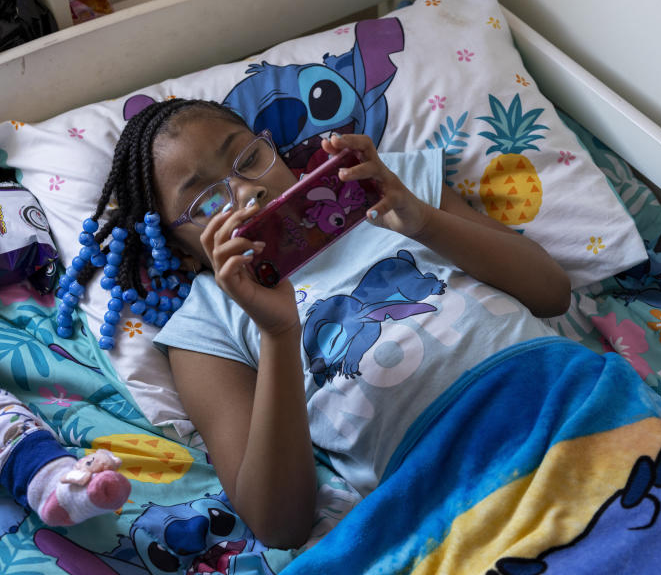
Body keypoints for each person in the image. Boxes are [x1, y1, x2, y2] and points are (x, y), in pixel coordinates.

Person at [70, 98, 571, 548]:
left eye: (248, 158)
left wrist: (422, 220)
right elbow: (277, 523)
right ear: (181, 249)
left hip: (559, 395)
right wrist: (279, 334)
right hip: (449, 482)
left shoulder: (387, 188)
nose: (247, 192)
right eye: (205, 202)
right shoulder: (206, 322)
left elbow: (551, 292)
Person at [0, 388, 131, 526]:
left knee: (30, 445)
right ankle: (62, 489)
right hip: (21, 436)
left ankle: (64, 487)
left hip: (24, 430)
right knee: (25, 449)